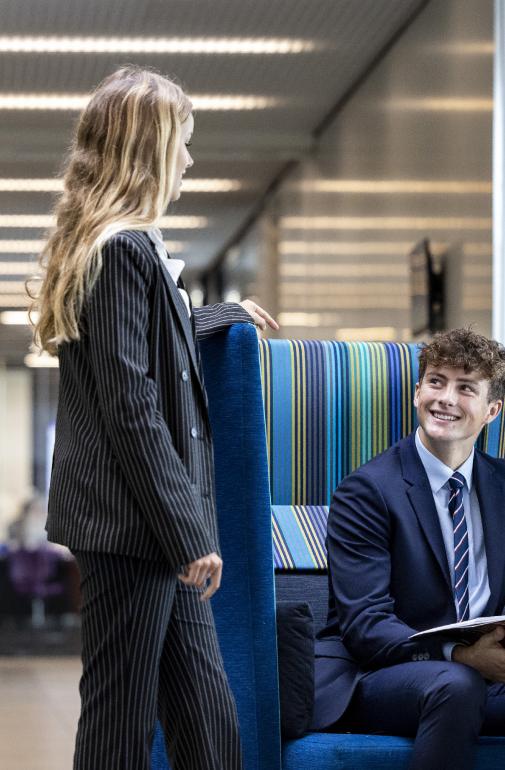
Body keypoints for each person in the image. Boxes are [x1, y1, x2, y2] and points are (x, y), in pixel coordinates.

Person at [29, 65, 278, 770]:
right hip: (134, 527)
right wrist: (186, 531)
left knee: (205, 713)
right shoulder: (120, 247)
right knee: (119, 722)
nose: (189, 161)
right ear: (148, 150)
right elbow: (131, 403)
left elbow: (139, 346)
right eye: (184, 144)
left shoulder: (118, 250)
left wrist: (217, 317)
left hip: (144, 528)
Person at [312, 328, 505, 770]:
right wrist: (460, 655)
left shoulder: (502, 488)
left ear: (492, 410)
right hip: (375, 674)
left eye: (465, 388)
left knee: (463, 684)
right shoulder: (367, 491)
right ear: (417, 391)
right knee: (456, 685)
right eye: (436, 381)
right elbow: (365, 625)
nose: (446, 399)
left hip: (479, 673)